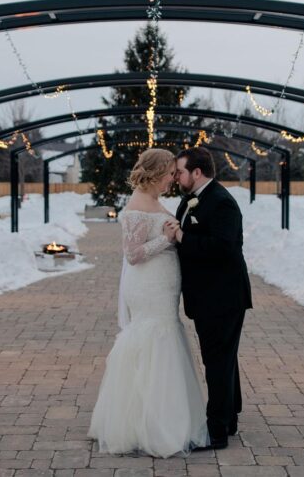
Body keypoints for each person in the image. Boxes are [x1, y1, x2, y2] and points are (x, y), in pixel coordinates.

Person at [88, 148, 209, 457]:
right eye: (170, 173)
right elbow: (133, 254)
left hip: (164, 287)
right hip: (148, 287)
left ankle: (165, 415)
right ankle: (149, 424)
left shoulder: (155, 202)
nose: (173, 178)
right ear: (156, 173)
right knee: (154, 340)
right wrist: (166, 240)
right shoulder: (136, 207)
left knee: (166, 336)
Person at [165, 147, 252, 450]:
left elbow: (225, 248)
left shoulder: (222, 202)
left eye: (179, 171)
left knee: (216, 362)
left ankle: (216, 433)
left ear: (197, 173)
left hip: (223, 296)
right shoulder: (190, 200)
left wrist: (183, 238)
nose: (176, 176)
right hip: (208, 296)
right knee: (223, 360)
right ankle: (228, 419)